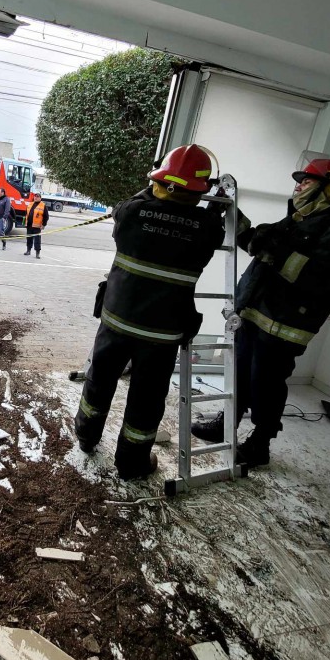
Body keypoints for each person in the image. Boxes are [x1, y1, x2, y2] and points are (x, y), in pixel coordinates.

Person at [191, 157, 330, 468]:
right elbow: (257, 245)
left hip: (285, 325)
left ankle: (260, 442)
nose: (298, 185)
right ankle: (225, 423)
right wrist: (228, 208)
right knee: (240, 372)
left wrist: (276, 249)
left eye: (307, 181)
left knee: (266, 383)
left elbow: (313, 278)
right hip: (254, 313)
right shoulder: (297, 221)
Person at [74, 145, 225, 480]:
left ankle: (86, 436)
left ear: (159, 182)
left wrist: (154, 185)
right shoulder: (208, 228)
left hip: (116, 322)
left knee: (99, 382)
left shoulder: (132, 213)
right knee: (146, 400)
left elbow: (129, 205)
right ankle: (131, 464)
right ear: (199, 190)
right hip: (162, 333)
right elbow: (214, 224)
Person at [23, 190, 49, 258]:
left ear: (40, 198)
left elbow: (46, 216)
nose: (36, 198)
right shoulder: (30, 204)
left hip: (37, 227)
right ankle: (28, 250)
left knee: (37, 240)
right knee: (29, 239)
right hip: (29, 225)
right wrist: (25, 222)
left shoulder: (43, 205)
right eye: (35, 196)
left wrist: (43, 224)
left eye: (37, 197)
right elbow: (26, 214)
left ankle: (37, 253)